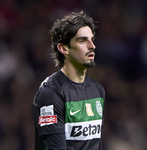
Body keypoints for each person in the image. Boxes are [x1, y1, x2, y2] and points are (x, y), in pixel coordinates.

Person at [33, 11, 105, 150]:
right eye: (83, 41)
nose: (92, 46)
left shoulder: (97, 90)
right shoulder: (51, 93)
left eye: (92, 39)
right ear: (63, 48)